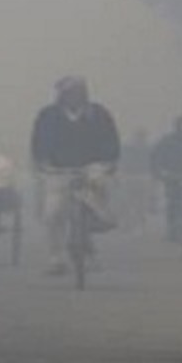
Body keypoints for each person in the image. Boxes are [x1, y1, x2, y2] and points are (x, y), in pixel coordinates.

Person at [30, 76, 120, 276]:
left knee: (99, 191)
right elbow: (39, 143)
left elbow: (111, 141)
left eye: (78, 92)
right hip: (58, 170)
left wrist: (108, 161)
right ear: (61, 95)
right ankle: (56, 258)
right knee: (53, 213)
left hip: (92, 167)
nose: (74, 97)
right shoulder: (48, 116)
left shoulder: (98, 114)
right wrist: (43, 161)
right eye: (70, 93)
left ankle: (100, 222)